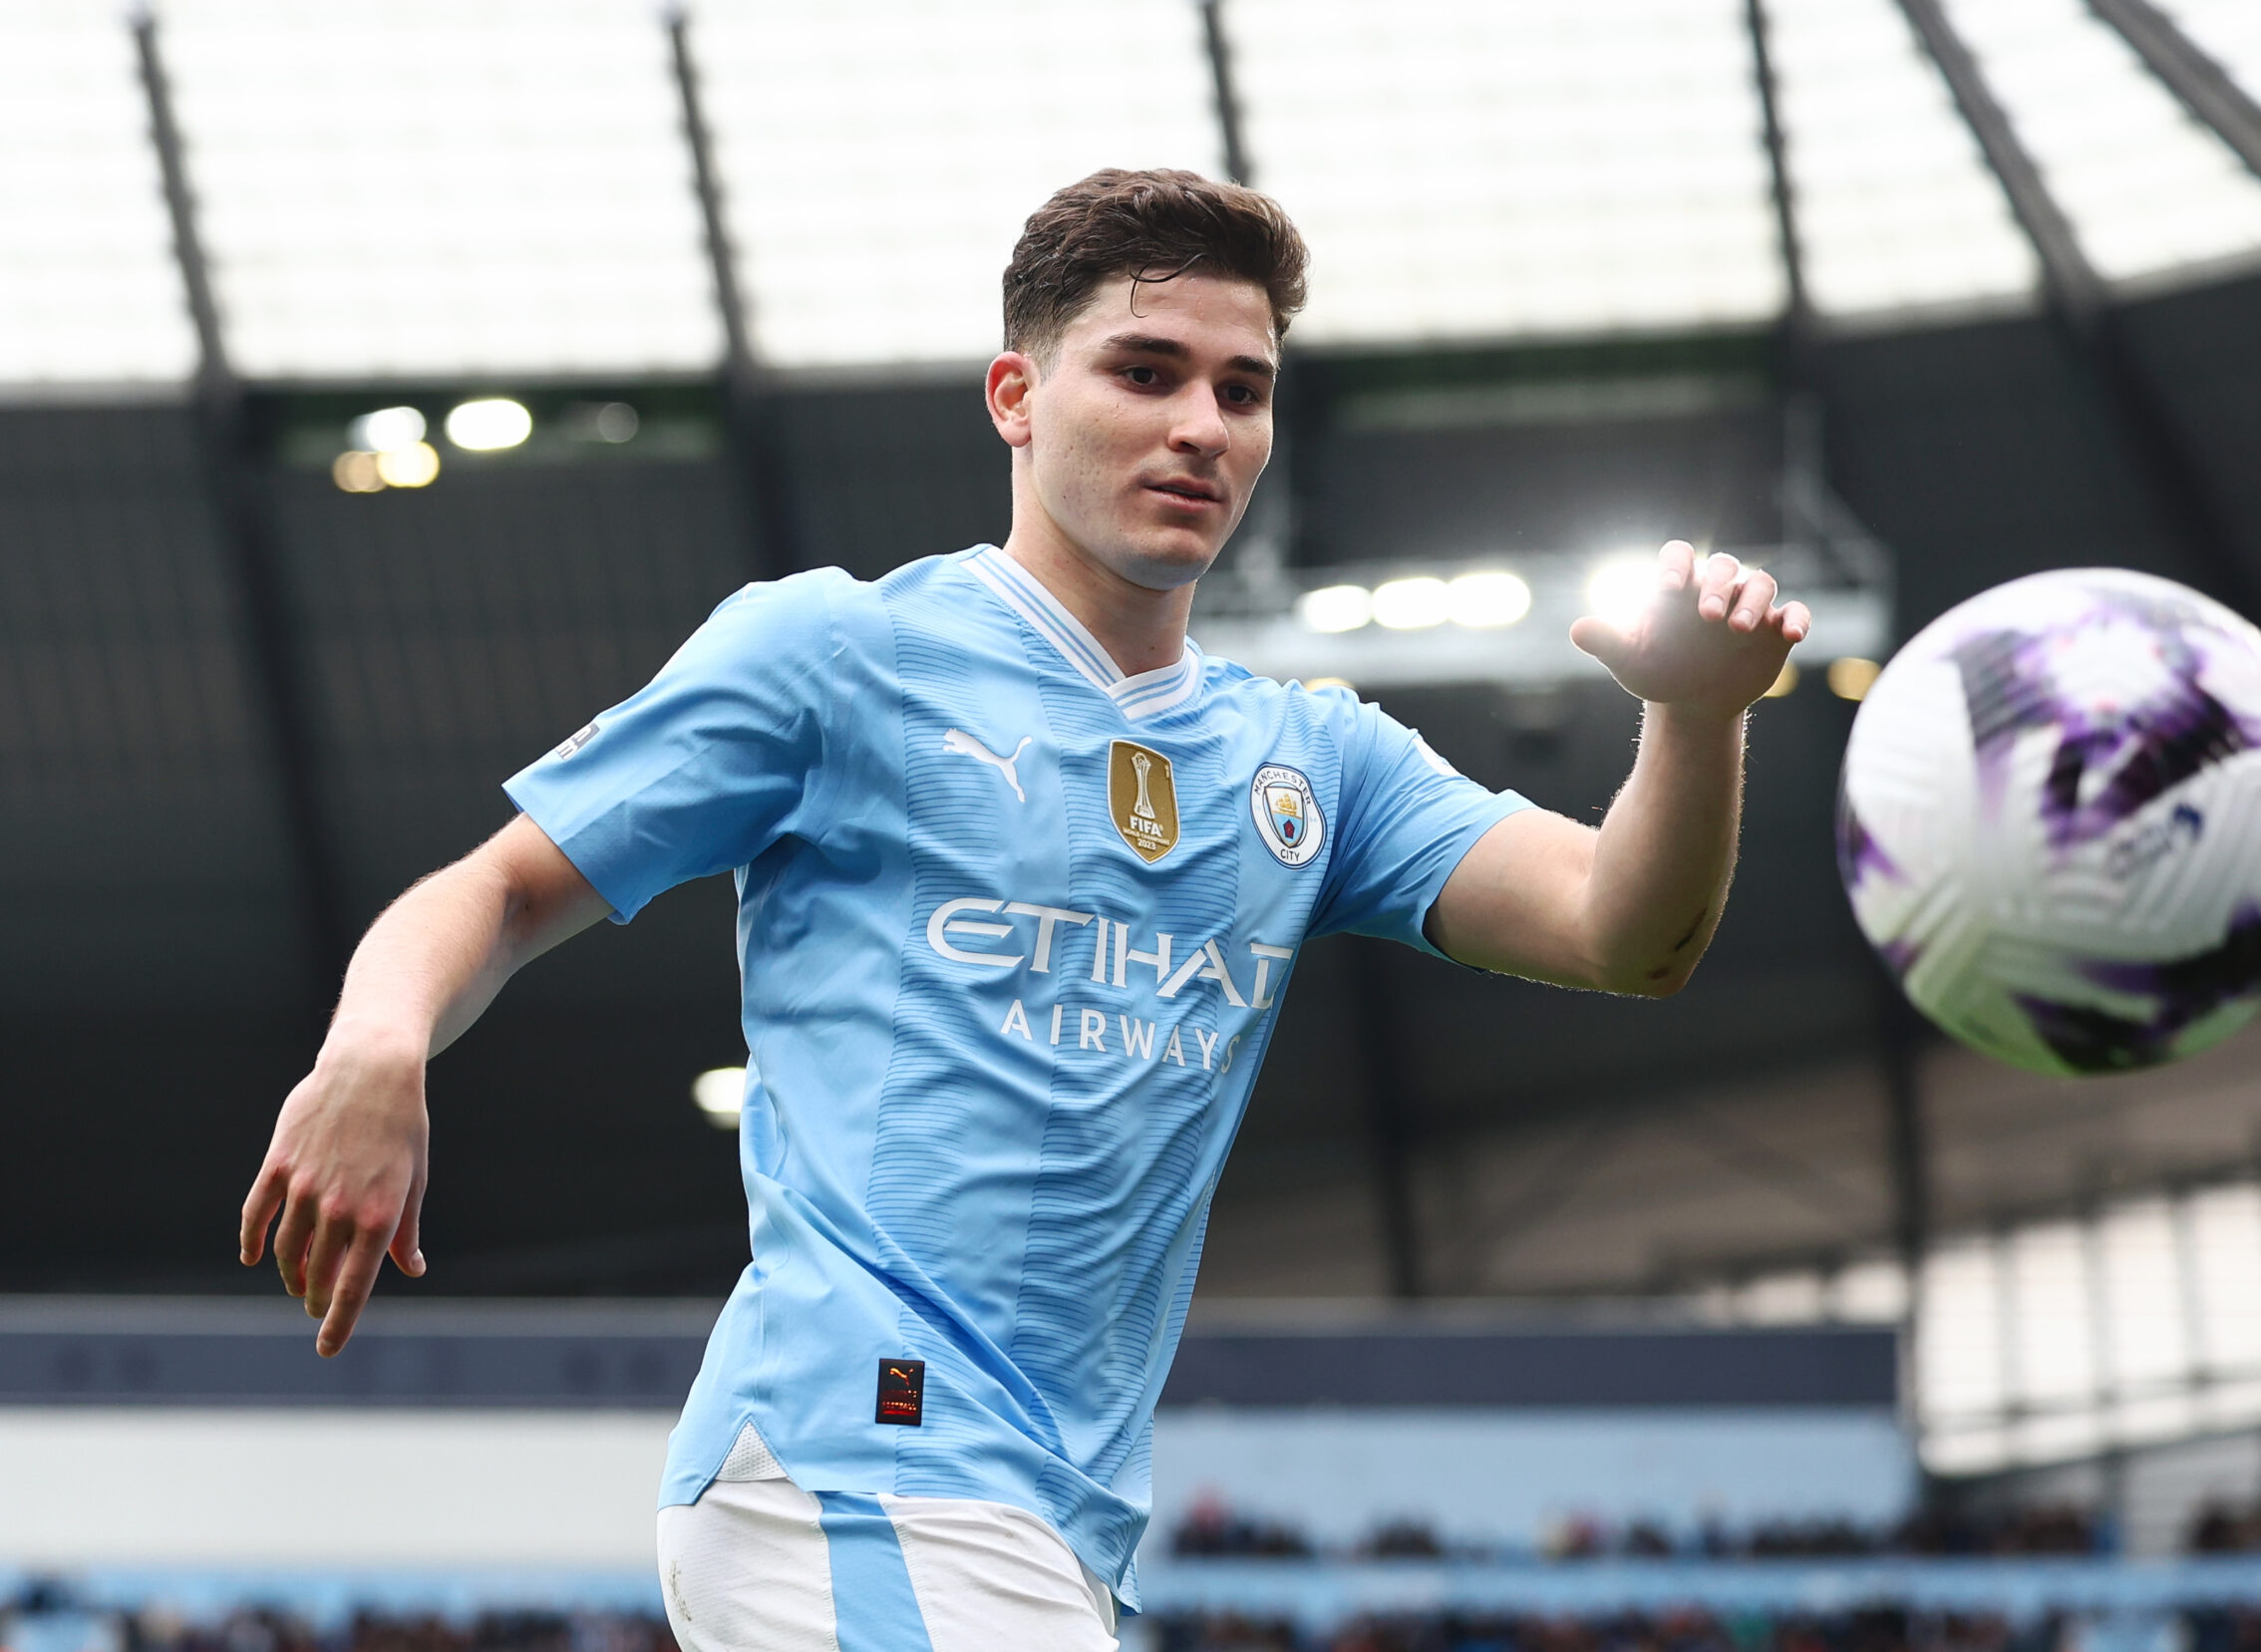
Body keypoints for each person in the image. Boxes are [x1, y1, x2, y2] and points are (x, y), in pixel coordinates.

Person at [238, 168, 1809, 1651]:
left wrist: (1699, 716)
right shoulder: (838, 657)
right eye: (1144, 372)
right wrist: (377, 1050)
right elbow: (497, 886)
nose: (1200, 425)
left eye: (1240, 391)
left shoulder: (1314, 760)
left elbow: (1629, 933)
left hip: (1047, 1516)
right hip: (854, 1453)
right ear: (1016, 397)